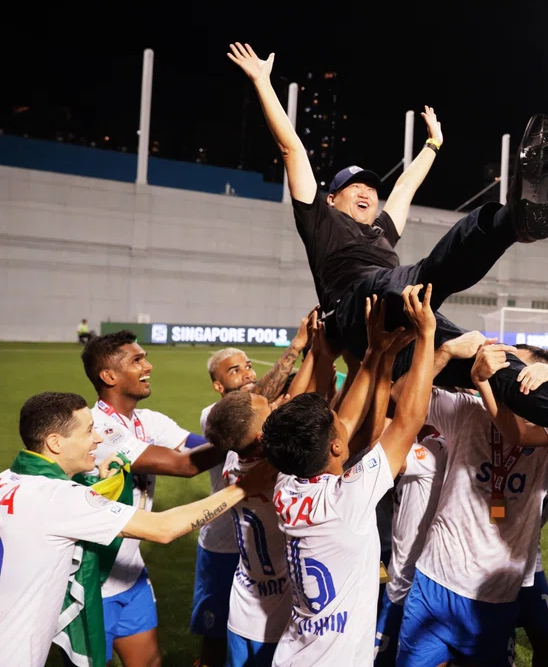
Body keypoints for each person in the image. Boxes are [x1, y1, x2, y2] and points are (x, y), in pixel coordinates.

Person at [227, 42, 548, 478]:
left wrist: (433, 145)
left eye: (370, 188)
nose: (366, 191)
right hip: (354, 309)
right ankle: (511, 222)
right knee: (417, 279)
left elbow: (404, 190)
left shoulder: (381, 232)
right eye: (352, 186)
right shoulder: (320, 222)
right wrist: (263, 82)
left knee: (498, 369)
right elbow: (292, 151)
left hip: (405, 326)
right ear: (330, 198)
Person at [0, 392, 275, 667]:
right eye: (88, 432)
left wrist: (99, 491)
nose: (97, 438)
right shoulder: (61, 498)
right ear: (55, 443)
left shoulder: (8, 481)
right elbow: (164, 528)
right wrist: (242, 488)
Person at [261, 283, 436, 666]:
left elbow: (348, 419)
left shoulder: (285, 485)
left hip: (293, 654)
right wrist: (426, 336)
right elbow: (409, 421)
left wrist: (374, 353)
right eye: (336, 426)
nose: (342, 420)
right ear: (337, 448)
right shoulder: (347, 500)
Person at [393, 343, 548, 667]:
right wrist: (445, 353)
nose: (502, 370)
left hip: (495, 596)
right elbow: (399, 396)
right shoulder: (468, 410)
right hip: (435, 580)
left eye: (515, 369)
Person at [81, 330, 225, 666]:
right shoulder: (97, 428)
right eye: (137, 360)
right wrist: (244, 435)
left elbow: (201, 445)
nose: (149, 365)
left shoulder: (147, 421)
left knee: (148, 662)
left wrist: (246, 433)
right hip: (90, 580)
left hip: (130, 571)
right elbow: (186, 465)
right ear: (109, 376)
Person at [190, 314, 311, 667]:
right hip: (221, 544)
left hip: (265, 552)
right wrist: (296, 349)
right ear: (217, 387)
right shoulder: (214, 416)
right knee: (213, 638)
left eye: (247, 366)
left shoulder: (263, 417)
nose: (247, 373)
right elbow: (253, 405)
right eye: (234, 371)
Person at [374, 428, 448, 667]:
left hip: (408, 586)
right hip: (394, 570)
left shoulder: (435, 449)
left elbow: (381, 451)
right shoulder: (423, 443)